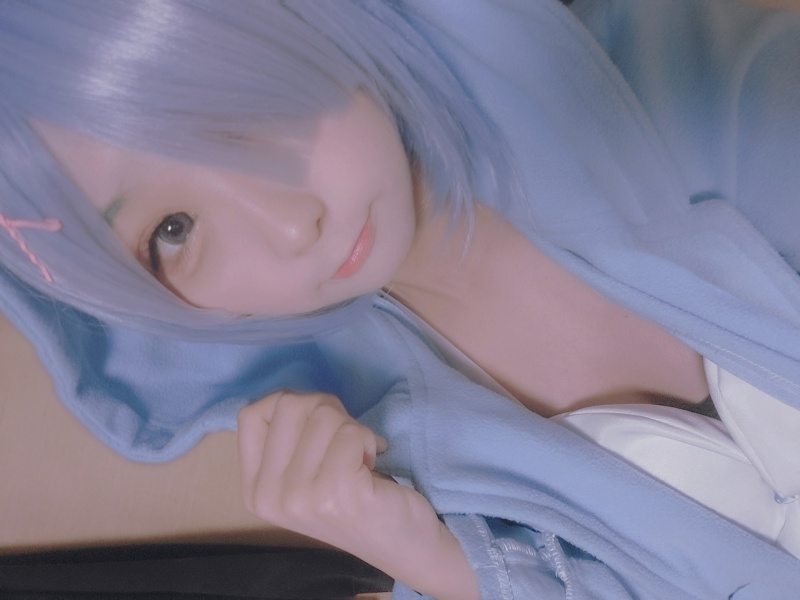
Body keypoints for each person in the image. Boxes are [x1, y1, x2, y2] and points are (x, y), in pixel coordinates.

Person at [2, 0, 800, 597]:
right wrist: (446, 569)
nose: (290, 225)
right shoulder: (394, 449)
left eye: (234, 106)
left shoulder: (709, 94)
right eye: (172, 230)